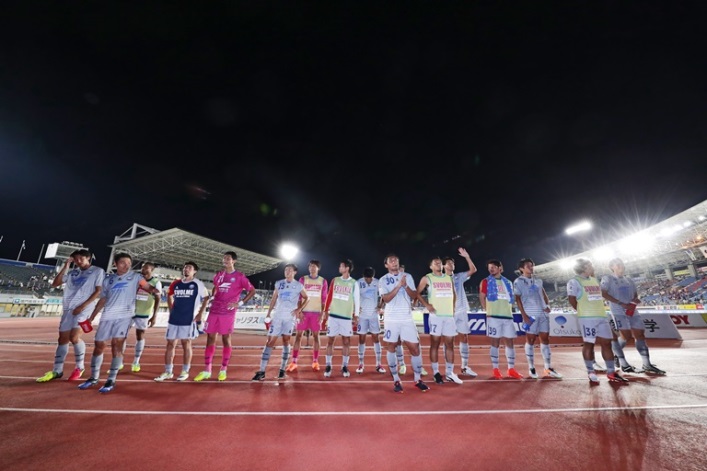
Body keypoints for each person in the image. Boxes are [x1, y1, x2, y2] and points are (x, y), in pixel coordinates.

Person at [78, 253, 161, 393]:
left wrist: (154, 290)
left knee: (117, 344)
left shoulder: (136, 277)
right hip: (107, 316)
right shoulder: (108, 280)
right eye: (123, 262)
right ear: (115, 264)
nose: (127, 265)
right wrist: (92, 317)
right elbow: (103, 299)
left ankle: (111, 379)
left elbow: (147, 286)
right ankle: (93, 377)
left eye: (129, 263)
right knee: (99, 345)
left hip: (124, 316)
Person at [37, 249, 104, 383]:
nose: (78, 261)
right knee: (62, 339)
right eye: (76, 259)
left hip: (84, 309)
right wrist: (66, 266)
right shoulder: (73, 273)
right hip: (68, 309)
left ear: (88, 258)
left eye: (81, 259)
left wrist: (82, 306)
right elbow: (55, 283)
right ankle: (57, 370)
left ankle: (79, 367)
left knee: (74, 337)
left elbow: (98, 290)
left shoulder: (97, 271)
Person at [193, 251, 255, 382]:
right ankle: (207, 370)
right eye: (224, 258)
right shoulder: (219, 275)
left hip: (227, 312)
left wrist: (240, 303)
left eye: (228, 258)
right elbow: (216, 287)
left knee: (226, 339)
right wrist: (213, 296)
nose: (225, 260)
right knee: (210, 338)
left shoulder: (240, 276)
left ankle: (223, 369)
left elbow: (252, 290)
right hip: (214, 310)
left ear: (234, 261)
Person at [567, 258, 628, 383]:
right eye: (590, 265)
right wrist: (582, 312)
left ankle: (611, 372)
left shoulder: (594, 280)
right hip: (587, 318)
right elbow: (572, 299)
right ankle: (590, 372)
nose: (593, 267)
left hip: (601, 316)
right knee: (589, 344)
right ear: (584, 267)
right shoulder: (574, 281)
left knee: (607, 343)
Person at [601, 257, 665, 375]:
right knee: (626, 336)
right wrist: (620, 303)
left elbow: (635, 294)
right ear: (612, 267)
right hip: (618, 311)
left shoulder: (629, 280)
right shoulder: (608, 278)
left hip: (632, 310)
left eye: (622, 264)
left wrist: (634, 301)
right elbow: (603, 293)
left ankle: (647, 364)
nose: (621, 266)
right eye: (618, 264)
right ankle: (618, 356)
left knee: (640, 334)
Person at [380, 253, 429, 393]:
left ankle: (418, 379)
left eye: (396, 260)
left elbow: (414, 295)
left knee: (415, 348)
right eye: (391, 260)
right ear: (386, 265)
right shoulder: (383, 280)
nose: (394, 262)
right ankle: (396, 380)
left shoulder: (408, 276)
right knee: (392, 346)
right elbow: (386, 299)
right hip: (391, 319)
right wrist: (398, 286)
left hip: (407, 318)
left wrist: (405, 285)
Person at [155, 261, 210, 382]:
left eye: (189, 268)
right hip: (174, 319)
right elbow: (169, 295)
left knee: (186, 344)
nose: (186, 269)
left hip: (188, 319)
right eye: (185, 267)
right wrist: (171, 309)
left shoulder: (198, 284)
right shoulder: (176, 283)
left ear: (194, 271)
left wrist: (200, 313)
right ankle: (168, 371)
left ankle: (185, 371)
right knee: (170, 344)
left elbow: (206, 298)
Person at [252, 264, 308, 381]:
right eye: (286, 270)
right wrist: (268, 313)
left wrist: (299, 309)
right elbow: (274, 298)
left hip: (289, 318)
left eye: (290, 270)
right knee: (270, 342)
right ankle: (261, 371)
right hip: (277, 316)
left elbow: (307, 298)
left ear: (295, 272)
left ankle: (282, 370)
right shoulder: (279, 283)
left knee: (286, 340)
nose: (287, 271)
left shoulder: (298, 285)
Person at [514, 258, 562, 379]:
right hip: (530, 314)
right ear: (521, 269)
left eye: (532, 265)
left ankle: (548, 368)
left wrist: (547, 305)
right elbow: (517, 299)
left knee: (545, 339)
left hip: (543, 314)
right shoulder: (518, 282)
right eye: (528, 266)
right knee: (530, 340)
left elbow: (543, 293)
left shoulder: (538, 280)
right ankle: (531, 367)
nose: (531, 268)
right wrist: (524, 315)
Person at [417, 256, 463, 385]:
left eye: (439, 263)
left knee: (450, 345)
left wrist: (452, 308)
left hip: (448, 316)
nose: (438, 265)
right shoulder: (427, 278)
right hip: (436, 316)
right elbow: (417, 292)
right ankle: (436, 372)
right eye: (435, 263)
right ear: (431, 266)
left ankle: (449, 373)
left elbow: (454, 294)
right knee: (435, 344)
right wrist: (427, 305)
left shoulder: (448, 278)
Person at [479, 259, 523, 379]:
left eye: (493, 267)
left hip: (507, 316)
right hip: (493, 316)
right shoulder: (485, 281)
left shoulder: (508, 282)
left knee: (510, 343)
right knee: (495, 342)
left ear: (500, 268)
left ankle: (511, 369)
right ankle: (496, 369)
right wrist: (486, 310)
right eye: (489, 268)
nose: (491, 269)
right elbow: (482, 296)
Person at [286, 259, 328, 372]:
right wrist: (299, 311)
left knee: (316, 336)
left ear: (318, 268)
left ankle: (315, 361)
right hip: (304, 313)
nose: (311, 268)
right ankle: (294, 362)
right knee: (298, 336)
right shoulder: (303, 279)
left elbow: (324, 299)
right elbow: (299, 297)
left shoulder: (323, 281)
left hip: (316, 313)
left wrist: (322, 313)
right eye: (310, 266)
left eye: (314, 266)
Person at [443, 247, 478, 377]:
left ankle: (464, 367)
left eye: (453, 263)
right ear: (443, 266)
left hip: (461, 311)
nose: (451, 264)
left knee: (464, 337)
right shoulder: (440, 279)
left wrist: (467, 257)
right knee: (449, 340)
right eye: (449, 263)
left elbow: (473, 270)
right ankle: (449, 369)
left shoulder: (458, 277)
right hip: (448, 313)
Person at [322, 259, 360, 378]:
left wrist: (356, 315)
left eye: (341, 266)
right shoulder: (335, 280)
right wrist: (325, 311)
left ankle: (344, 366)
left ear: (347, 268)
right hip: (333, 315)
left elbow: (357, 300)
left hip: (346, 317)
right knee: (330, 341)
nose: (339, 268)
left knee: (346, 342)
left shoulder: (354, 283)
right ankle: (328, 365)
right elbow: (329, 296)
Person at [128, 262, 162, 372]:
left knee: (140, 335)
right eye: (142, 267)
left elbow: (158, 299)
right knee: (121, 335)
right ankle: (118, 362)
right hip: (129, 311)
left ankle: (136, 361)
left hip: (143, 312)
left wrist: (154, 316)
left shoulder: (156, 282)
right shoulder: (136, 279)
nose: (143, 269)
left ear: (152, 270)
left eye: (146, 267)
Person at [354, 267, 386, 374]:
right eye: (367, 278)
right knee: (361, 339)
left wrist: (380, 306)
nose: (369, 280)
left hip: (373, 315)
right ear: (363, 277)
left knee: (376, 338)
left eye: (370, 278)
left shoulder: (377, 282)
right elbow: (354, 296)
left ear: (373, 276)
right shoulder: (358, 283)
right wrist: (356, 308)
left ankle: (378, 364)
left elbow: (383, 295)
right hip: (362, 316)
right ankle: (361, 364)